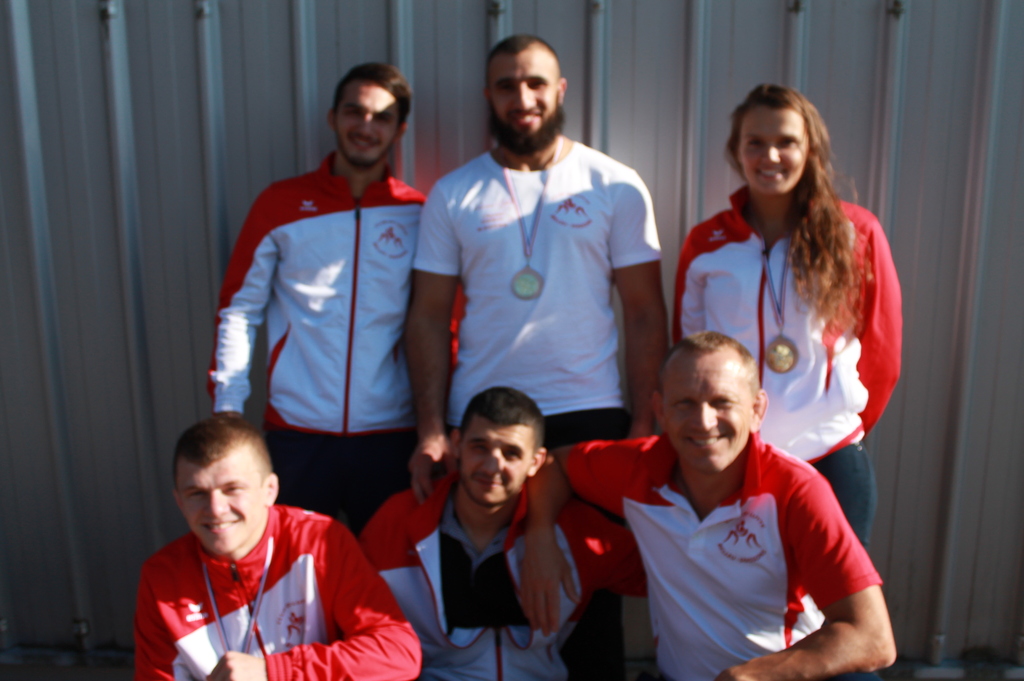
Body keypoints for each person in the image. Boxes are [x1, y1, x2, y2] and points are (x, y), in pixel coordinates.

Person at [406, 36, 666, 678]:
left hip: (588, 412)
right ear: (488, 96)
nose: (522, 98)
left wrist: (643, 421)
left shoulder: (614, 184)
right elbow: (429, 317)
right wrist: (433, 428)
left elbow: (643, 311)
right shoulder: (455, 193)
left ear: (560, 90)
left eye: (535, 83)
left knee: (590, 595)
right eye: (506, 85)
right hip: (485, 418)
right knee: (490, 584)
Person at [522, 332, 897, 681]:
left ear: (757, 410)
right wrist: (539, 536)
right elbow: (553, 466)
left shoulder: (796, 491)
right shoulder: (636, 469)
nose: (703, 422)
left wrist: (754, 675)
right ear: (660, 410)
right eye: (684, 403)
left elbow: (873, 637)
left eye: (722, 402)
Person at [672, 84, 902, 546]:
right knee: (738, 586)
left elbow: (882, 347)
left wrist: (844, 416)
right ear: (736, 151)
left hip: (830, 453)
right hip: (733, 457)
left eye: (786, 142)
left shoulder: (855, 231)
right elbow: (687, 352)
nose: (770, 155)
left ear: (809, 149)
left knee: (831, 593)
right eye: (755, 142)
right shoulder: (707, 242)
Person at [208, 63, 425, 535]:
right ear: (332, 118)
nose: (366, 126)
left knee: (388, 571)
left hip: (390, 438)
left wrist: (439, 425)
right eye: (354, 111)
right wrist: (228, 410)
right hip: (296, 435)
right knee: (295, 571)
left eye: (382, 117)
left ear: (400, 130)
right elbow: (239, 310)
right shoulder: (279, 204)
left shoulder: (417, 214)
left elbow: (437, 321)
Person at [360, 387, 645, 681]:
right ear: (456, 444)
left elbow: (660, 574)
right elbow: (350, 619)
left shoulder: (572, 529)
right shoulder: (397, 520)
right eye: (479, 447)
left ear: (535, 462)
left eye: (511, 453)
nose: (492, 466)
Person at [133, 415, 421, 681]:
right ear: (179, 501)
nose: (216, 509)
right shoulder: (162, 578)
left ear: (269, 490)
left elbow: (398, 653)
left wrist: (273, 672)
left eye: (232, 489)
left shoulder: (321, 541)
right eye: (197, 493)